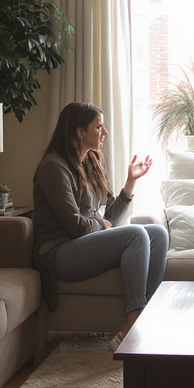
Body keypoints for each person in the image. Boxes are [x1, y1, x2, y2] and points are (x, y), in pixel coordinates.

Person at [32, 102, 167, 348]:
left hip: (82, 245)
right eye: (98, 127)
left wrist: (130, 183)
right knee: (136, 234)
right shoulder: (54, 167)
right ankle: (133, 324)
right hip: (58, 253)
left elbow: (110, 219)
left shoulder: (91, 162)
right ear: (79, 131)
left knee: (158, 234)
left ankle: (146, 317)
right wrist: (99, 222)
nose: (104, 133)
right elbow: (75, 225)